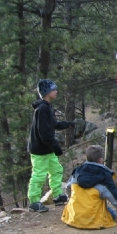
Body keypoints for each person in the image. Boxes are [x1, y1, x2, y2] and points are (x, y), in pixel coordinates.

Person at [61, 145, 117, 229]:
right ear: (100, 160)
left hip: (73, 218)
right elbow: (114, 198)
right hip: (93, 220)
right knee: (112, 213)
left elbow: (68, 188)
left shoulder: (77, 171)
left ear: (87, 157)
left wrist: (70, 200)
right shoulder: (105, 175)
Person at [27, 79, 75, 213]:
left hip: (47, 149)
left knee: (56, 170)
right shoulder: (42, 109)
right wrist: (56, 146)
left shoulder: (47, 107)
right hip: (40, 150)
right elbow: (44, 133)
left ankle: (57, 195)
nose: (56, 91)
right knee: (39, 175)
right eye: (54, 89)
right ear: (47, 92)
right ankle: (34, 202)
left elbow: (53, 124)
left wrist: (68, 124)